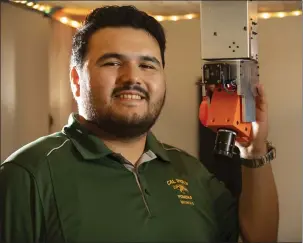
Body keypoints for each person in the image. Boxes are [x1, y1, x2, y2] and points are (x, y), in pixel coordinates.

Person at [0, 5, 279, 243]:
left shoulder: (191, 171)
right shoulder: (27, 175)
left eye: (148, 65)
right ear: (76, 81)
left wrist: (254, 151)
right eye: (111, 63)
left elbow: (260, 237)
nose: (132, 77)